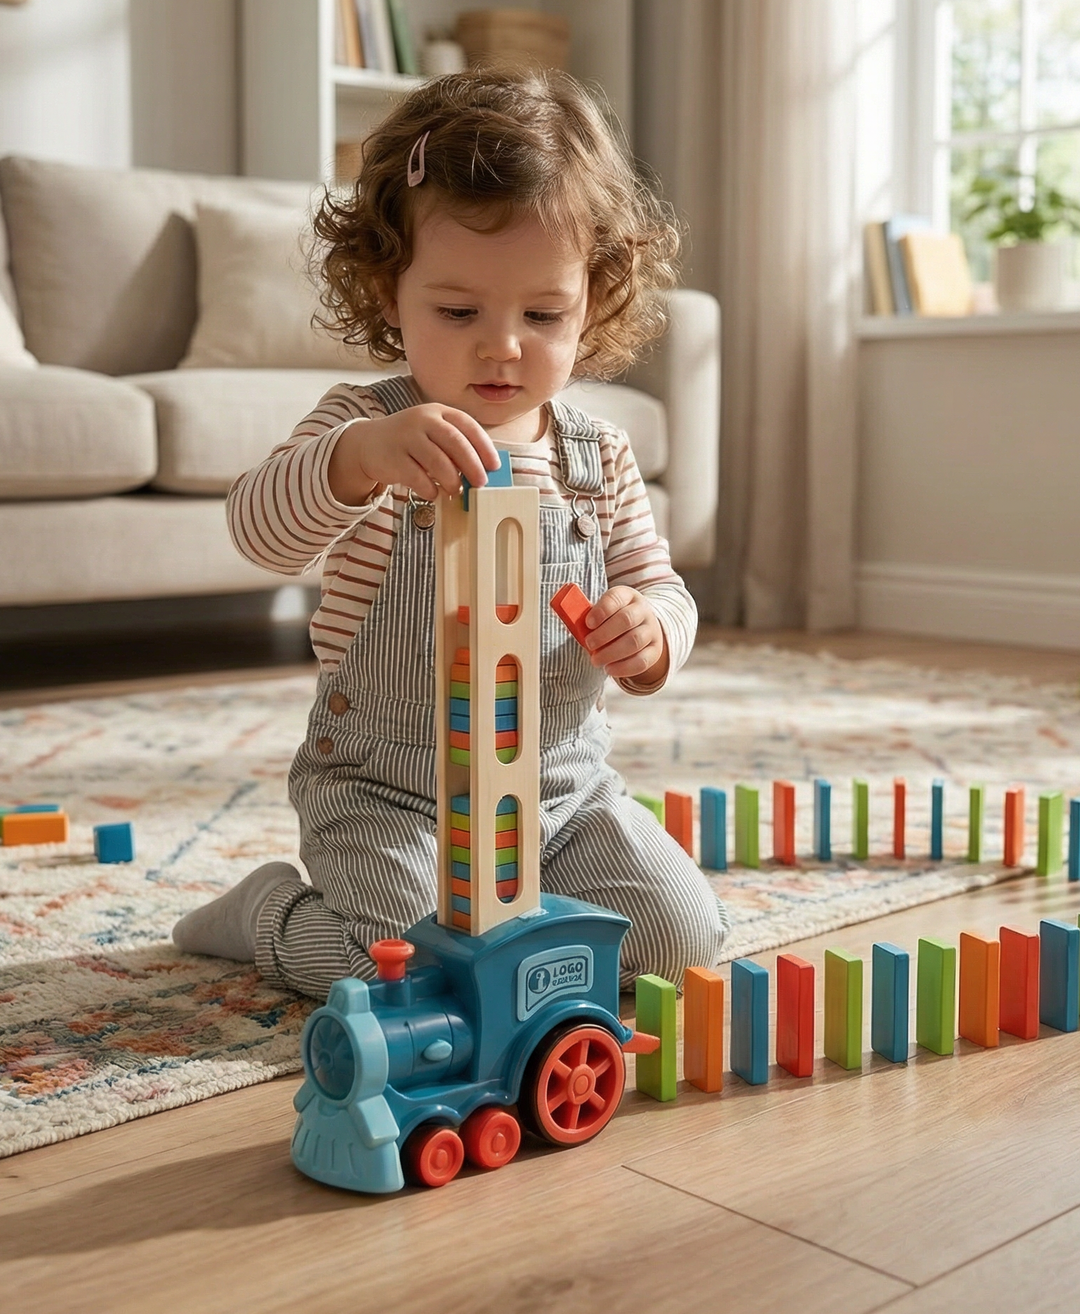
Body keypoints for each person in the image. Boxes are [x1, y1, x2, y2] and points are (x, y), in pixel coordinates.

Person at [172, 68, 727, 998]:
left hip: (562, 794)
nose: (500, 345)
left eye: (542, 314)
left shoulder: (598, 456)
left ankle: (527, 908)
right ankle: (267, 911)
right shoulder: (366, 424)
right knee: (404, 970)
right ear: (389, 292)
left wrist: (652, 631)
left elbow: (660, 584)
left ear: (592, 299)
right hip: (388, 796)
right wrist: (357, 459)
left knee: (682, 939)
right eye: (458, 311)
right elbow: (258, 530)